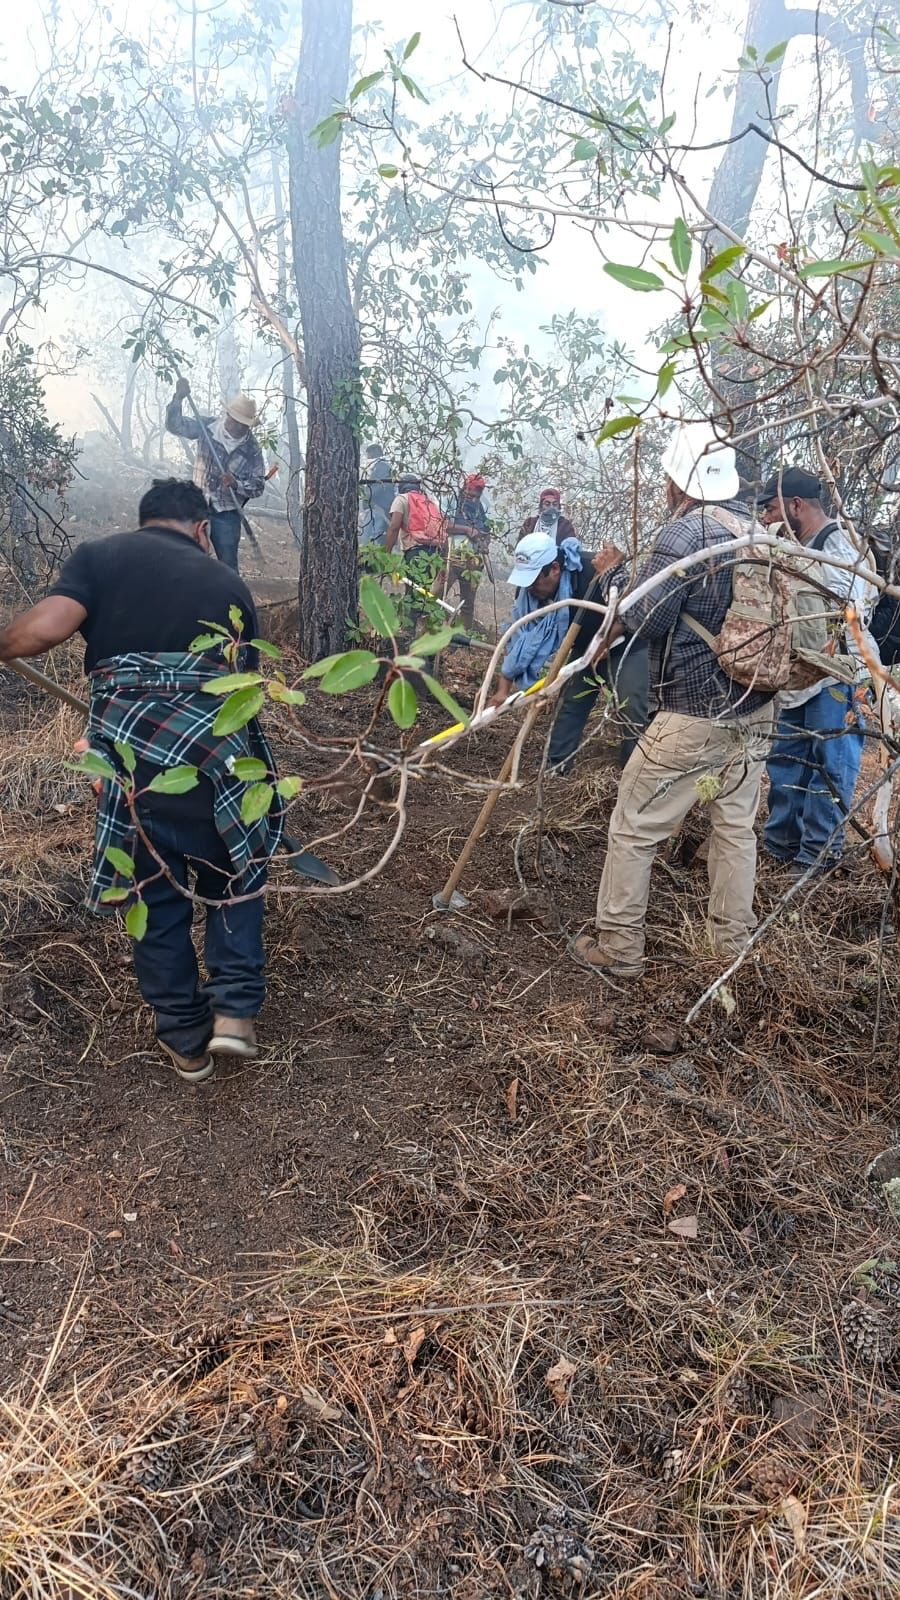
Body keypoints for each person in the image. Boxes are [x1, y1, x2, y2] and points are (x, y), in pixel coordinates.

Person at [0, 479, 281, 1083]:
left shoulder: (100, 557)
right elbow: (246, 693)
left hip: (133, 762)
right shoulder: (228, 583)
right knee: (235, 873)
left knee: (152, 890)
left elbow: (45, 628)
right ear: (202, 529)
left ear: (144, 520)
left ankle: (185, 1039)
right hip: (216, 759)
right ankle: (234, 1013)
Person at [573, 422, 776, 981]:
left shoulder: (687, 533)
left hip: (694, 711)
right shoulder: (756, 533)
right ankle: (730, 949)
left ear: (677, 481)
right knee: (735, 829)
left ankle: (618, 947)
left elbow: (647, 618)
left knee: (634, 822)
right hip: (757, 709)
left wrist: (614, 584)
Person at [757, 466, 876, 877]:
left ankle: (817, 857)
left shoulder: (838, 545)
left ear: (796, 505)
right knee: (786, 762)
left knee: (830, 767)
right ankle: (780, 845)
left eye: (771, 508)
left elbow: (851, 612)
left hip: (835, 677)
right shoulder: (793, 544)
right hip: (797, 677)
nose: (767, 518)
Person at [489, 530, 649, 768]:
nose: (530, 588)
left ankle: (634, 771)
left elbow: (630, 611)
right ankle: (557, 766)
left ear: (554, 568)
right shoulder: (528, 590)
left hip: (626, 644)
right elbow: (520, 638)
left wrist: (603, 643)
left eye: (535, 580)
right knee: (570, 703)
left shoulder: (595, 570)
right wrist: (503, 689)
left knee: (632, 706)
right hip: (584, 647)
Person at [165, 378, 265, 573]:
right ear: (228, 415)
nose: (239, 427)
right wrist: (178, 398)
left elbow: (258, 485)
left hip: (227, 512)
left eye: (244, 424)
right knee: (189, 556)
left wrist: (236, 484)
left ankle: (228, 593)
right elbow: (175, 426)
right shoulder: (207, 427)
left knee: (227, 566)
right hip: (197, 504)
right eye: (236, 421)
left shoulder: (252, 449)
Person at [435, 474, 491, 631]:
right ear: (464, 488)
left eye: (477, 495)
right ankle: (431, 629)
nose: (473, 498)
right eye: (471, 494)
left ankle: (464, 634)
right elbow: (443, 524)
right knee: (437, 593)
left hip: (474, 560)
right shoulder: (452, 500)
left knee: (468, 602)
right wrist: (467, 530)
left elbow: (487, 531)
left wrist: (485, 543)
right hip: (452, 555)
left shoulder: (481, 507)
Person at [359, 442, 394, 548]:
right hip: (376, 507)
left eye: (369, 453)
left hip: (378, 507)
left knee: (371, 536)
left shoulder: (382, 466)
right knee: (371, 535)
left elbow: (378, 486)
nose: (368, 456)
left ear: (375, 452)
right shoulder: (379, 466)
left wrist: (367, 498)